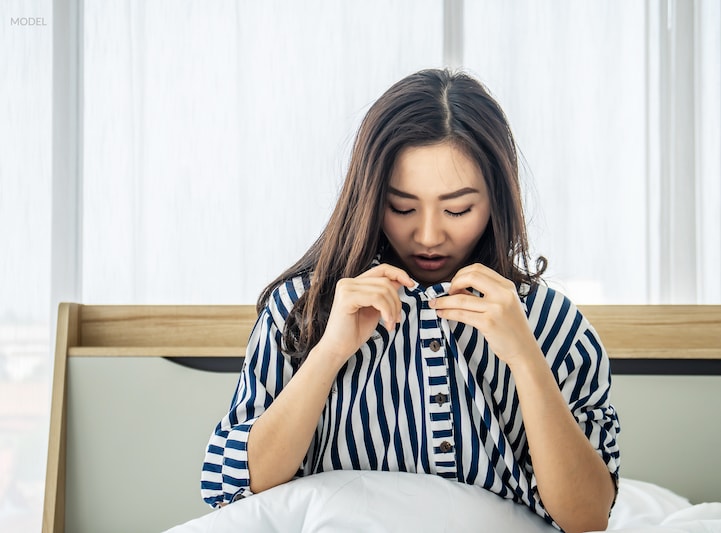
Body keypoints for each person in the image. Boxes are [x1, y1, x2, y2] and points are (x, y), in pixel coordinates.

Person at [201, 68, 620, 533]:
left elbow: (588, 518)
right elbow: (231, 489)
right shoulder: (301, 307)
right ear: (370, 196)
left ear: (496, 199)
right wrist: (329, 353)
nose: (427, 235)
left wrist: (525, 359)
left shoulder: (553, 322)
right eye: (401, 207)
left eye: (458, 209)